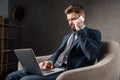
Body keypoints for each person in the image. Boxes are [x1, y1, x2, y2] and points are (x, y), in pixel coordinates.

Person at [6, 4, 101, 80]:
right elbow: (58, 52)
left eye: (73, 19)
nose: (70, 23)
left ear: (82, 18)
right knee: (11, 76)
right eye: (68, 20)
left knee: (26, 79)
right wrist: (50, 61)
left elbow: (92, 55)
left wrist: (80, 30)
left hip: (67, 71)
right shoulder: (67, 36)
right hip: (54, 68)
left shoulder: (93, 33)